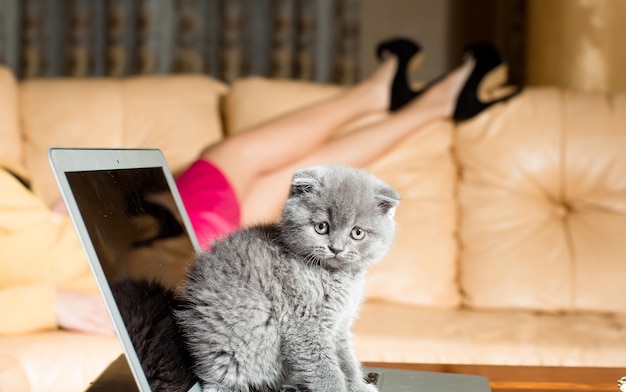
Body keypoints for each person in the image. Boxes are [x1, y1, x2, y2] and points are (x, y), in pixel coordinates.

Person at [0, 39, 519, 336]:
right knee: (232, 160)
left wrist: (55, 212)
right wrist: (49, 304)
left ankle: (406, 100)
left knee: (274, 180)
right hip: (141, 262)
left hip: (129, 241)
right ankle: (392, 97)